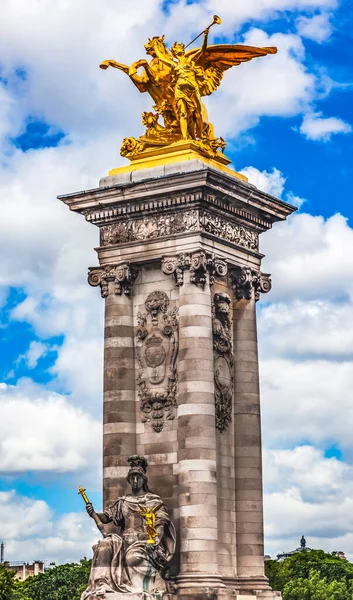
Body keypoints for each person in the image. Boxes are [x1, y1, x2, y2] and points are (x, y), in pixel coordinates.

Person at [81, 455, 176, 599]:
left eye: (138, 478)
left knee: (133, 557)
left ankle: (137, 590)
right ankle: (102, 584)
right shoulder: (123, 501)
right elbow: (107, 517)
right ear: (129, 480)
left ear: (144, 480)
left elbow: (160, 526)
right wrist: (93, 513)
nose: (135, 481)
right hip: (123, 542)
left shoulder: (154, 501)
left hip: (144, 543)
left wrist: (155, 541)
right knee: (105, 545)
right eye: (132, 478)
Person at [152, 29, 209, 140]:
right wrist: (155, 45)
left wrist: (205, 36)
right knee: (182, 113)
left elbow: (202, 50)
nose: (179, 49)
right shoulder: (174, 64)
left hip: (193, 89)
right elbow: (160, 57)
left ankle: (200, 135)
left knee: (198, 114)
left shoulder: (190, 60)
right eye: (177, 48)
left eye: (180, 47)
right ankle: (184, 138)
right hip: (180, 89)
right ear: (174, 52)